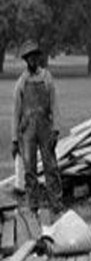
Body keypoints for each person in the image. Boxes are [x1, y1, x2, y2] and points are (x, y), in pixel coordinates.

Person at [11, 40, 63, 214]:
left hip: (45, 128)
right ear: (26, 60)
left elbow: (54, 105)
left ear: (38, 58)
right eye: (29, 58)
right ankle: (33, 205)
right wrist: (13, 139)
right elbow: (16, 113)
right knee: (29, 170)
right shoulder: (21, 82)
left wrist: (55, 130)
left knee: (51, 167)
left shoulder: (47, 77)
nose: (33, 61)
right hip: (27, 132)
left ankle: (56, 203)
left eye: (35, 57)